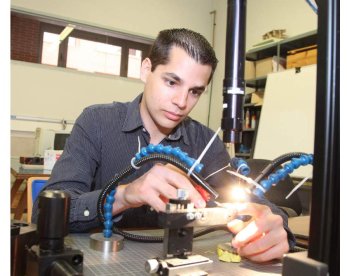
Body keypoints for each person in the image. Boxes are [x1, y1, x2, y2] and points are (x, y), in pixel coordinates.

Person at [32, 28, 295, 263]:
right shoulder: (96, 122)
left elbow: (250, 202)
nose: (182, 102)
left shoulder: (204, 141)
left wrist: (274, 224)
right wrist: (123, 195)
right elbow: (45, 213)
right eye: (172, 82)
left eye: (195, 91)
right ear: (146, 69)